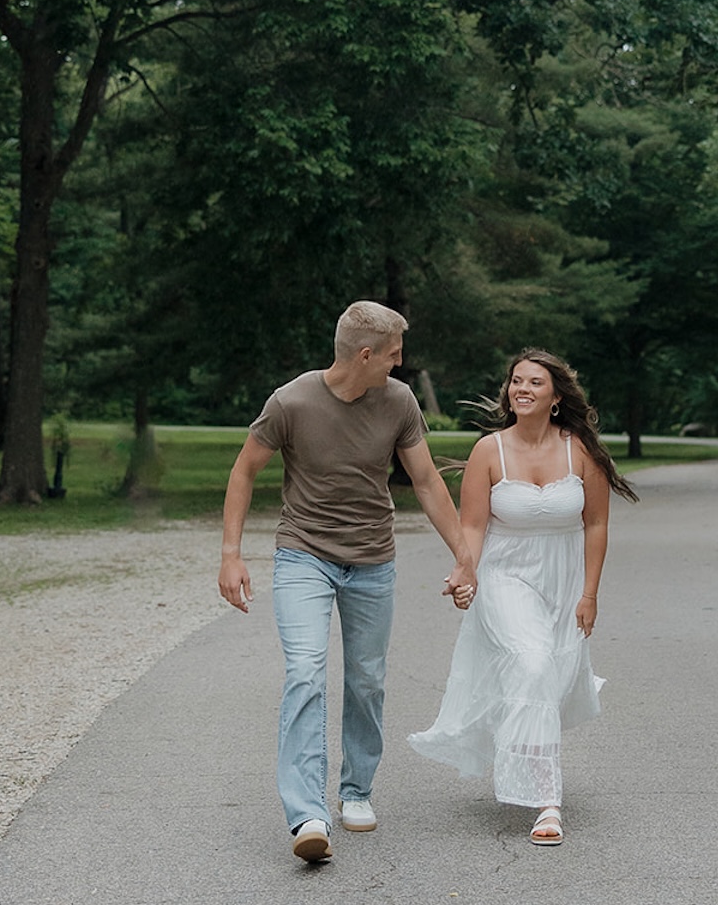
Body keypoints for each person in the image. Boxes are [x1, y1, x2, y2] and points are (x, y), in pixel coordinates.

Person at [219, 301, 476, 864]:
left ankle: (356, 790)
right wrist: (231, 555)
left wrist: (464, 556)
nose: (399, 366)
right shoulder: (290, 402)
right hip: (303, 555)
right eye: (393, 356)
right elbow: (244, 471)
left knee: (366, 679)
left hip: (372, 560)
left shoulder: (399, 402)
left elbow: (428, 481)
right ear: (365, 355)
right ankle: (308, 813)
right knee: (306, 672)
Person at [408, 348, 638, 845]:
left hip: (562, 580)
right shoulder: (490, 451)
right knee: (532, 664)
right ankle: (546, 801)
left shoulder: (581, 451)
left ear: (556, 397)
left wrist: (590, 594)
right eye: (516, 381)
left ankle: (526, 755)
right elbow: (472, 526)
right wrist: (463, 572)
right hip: (506, 576)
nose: (522, 389)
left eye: (535, 382)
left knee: (543, 680)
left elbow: (595, 524)